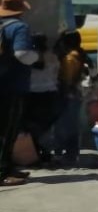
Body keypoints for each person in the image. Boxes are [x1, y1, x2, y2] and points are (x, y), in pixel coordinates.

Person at [0, 0, 40, 187]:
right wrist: (36, 56)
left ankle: (7, 167)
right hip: (12, 85)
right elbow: (22, 54)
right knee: (8, 130)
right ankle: (2, 172)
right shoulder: (19, 27)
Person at [22, 34, 60, 164]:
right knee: (45, 127)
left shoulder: (31, 58)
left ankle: (37, 151)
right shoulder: (53, 56)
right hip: (50, 93)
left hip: (33, 94)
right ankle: (44, 151)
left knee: (32, 126)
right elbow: (56, 73)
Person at [54, 30, 89, 165]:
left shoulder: (70, 58)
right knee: (71, 125)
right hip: (75, 94)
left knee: (64, 125)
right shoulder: (78, 54)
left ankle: (66, 153)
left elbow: (67, 79)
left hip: (68, 94)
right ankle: (72, 153)